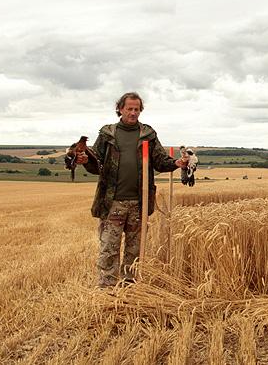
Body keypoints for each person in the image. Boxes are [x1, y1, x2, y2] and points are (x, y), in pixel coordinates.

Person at [76, 92, 188, 288]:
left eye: (137, 109)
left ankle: (130, 289)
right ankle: (107, 291)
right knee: (109, 249)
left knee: (134, 251)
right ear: (120, 109)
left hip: (139, 202)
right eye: (129, 109)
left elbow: (160, 161)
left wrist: (177, 163)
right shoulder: (107, 134)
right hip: (112, 202)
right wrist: (85, 161)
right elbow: (97, 164)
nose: (133, 113)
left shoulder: (148, 134)